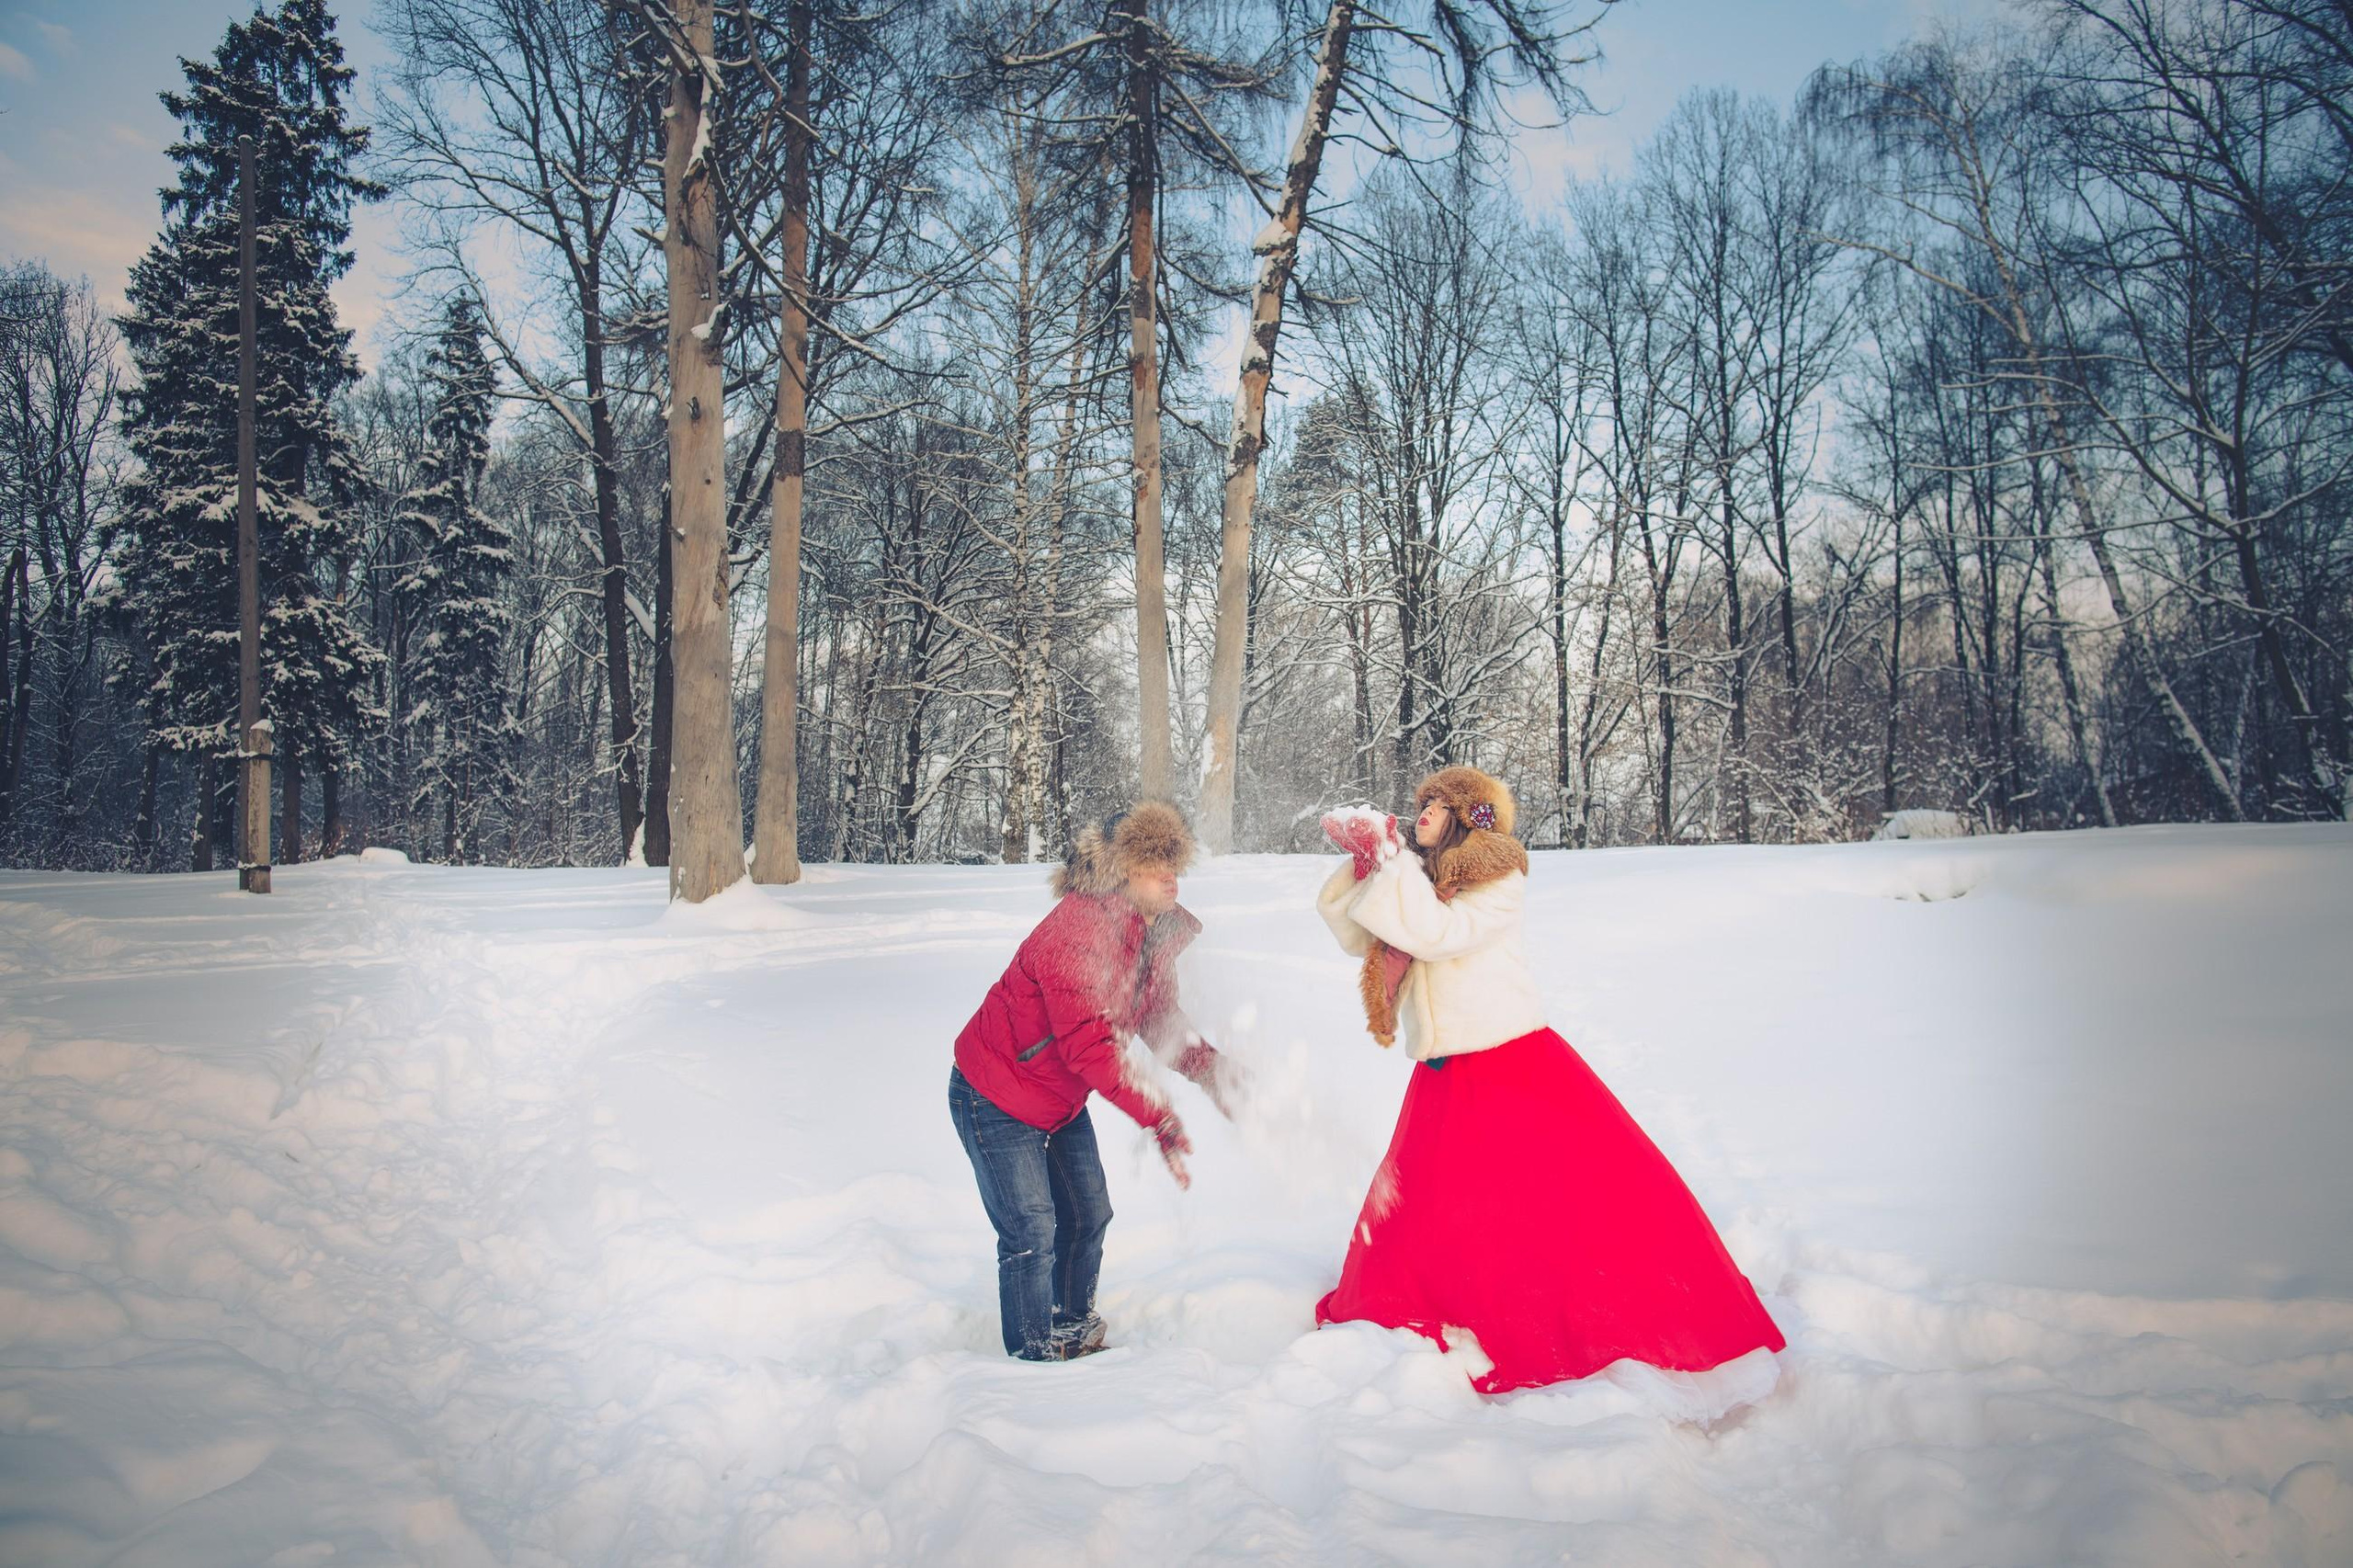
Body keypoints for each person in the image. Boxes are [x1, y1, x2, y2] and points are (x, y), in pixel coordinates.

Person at [1314, 767, 1786, 1396]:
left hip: (1508, 1060)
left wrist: (1392, 860)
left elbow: (1436, 934)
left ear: (1465, 815)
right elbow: (1359, 936)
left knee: (1544, 1194)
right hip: (1446, 1067)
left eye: (1438, 803)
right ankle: (1426, 1303)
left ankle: (1557, 1311)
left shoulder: (1496, 874)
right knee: (1424, 1198)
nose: (1423, 808)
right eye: (1420, 800)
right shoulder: (1421, 881)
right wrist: (1369, 866)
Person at [950, 801, 1241, 1362]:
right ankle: (1033, 1357)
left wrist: (1217, 1075)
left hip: (1056, 1101)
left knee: (1088, 1212)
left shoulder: (1150, 932)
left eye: (1172, 861)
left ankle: (1073, 1326)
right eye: (1151, 861)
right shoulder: (1079, 930)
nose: (1168, 874)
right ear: (1120, 870)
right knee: (1032, 1230)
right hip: (994, 1096)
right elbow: (1089, 1046)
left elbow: (1158, 1021)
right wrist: (1157, 1112)